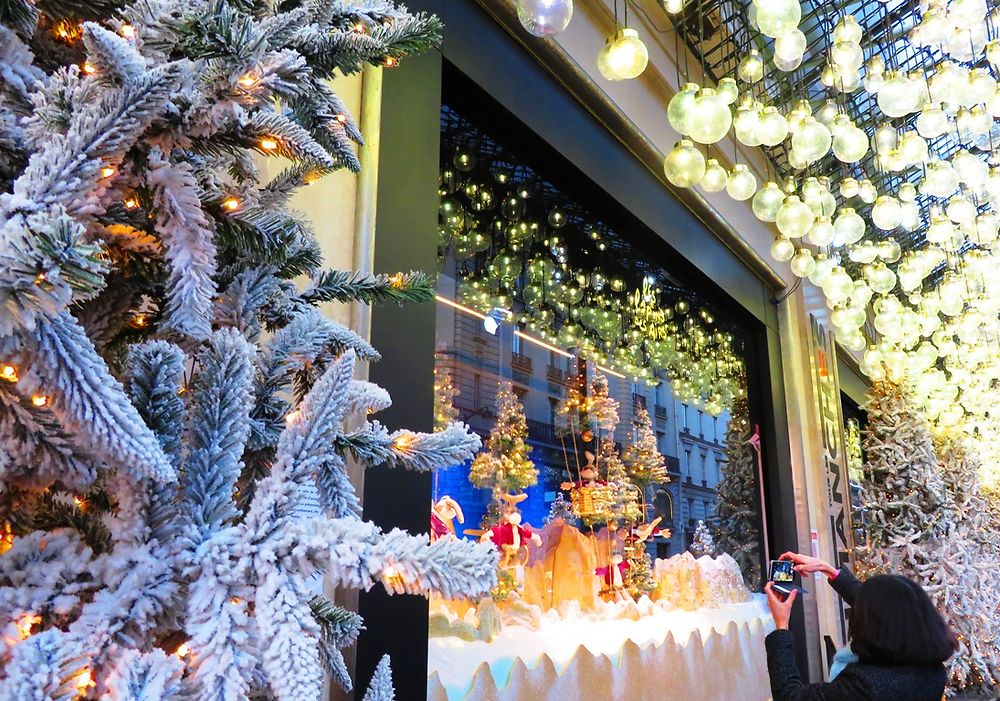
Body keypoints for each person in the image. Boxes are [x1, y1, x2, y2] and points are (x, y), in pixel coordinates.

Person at [763, 551, 957, 701]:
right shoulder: (932, 670)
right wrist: (828, 570)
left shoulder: (865, 687)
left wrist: (781, 626)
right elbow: (883, 609)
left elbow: (790, 696)